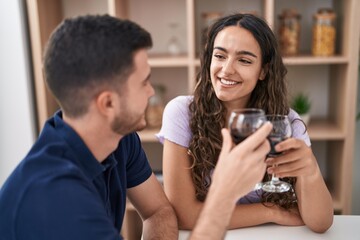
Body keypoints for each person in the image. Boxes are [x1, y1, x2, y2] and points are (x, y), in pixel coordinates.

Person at [0, 14, 274, 240]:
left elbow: (159, 211)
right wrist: (223, 196)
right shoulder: (58, 202)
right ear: (108, 103)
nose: (151, 91)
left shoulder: (119, 139)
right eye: (144, 82)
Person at [157, 13, 334, 233]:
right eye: (220, 56)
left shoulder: (286, 122)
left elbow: (321, 223)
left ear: (264, 71)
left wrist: (311, 171)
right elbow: (184, 216)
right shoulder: (182, 112)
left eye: (244, 60)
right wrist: (272, 211)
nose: (227, 69)